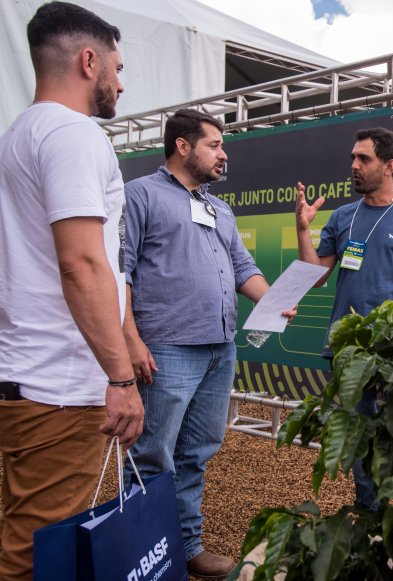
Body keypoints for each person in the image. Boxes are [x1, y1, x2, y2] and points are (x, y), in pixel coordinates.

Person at [0, 2, 144, 578]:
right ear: (90, 61)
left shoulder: (22, 132)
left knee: (25, 531)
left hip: (31, 376)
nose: (120, 82)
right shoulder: (74, 134)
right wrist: (120, 379)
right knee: (38, 556)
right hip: (59, 386)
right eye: (117, 66)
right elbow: (83, 265)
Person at [122, 109, 294, 580]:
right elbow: (122, 275)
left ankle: (187, 547)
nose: (223, 154)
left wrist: (276, 299)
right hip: (167, 348)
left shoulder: (221, 209)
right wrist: (131, 340)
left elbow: (243, 269)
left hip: (220, 347)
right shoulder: (140, 195)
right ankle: (142, 556)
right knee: (152, 454)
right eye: (214, 145)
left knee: (196, 452)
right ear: (182, 146)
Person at [295, 126, 393, 509]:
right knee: (360, 439)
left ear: (390, 165)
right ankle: (369, 517)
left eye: (363, 158)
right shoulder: (343, 216)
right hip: (348, 349)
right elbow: (316, 278)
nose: (354, 165)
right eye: (352, 158)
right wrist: (303, 230)